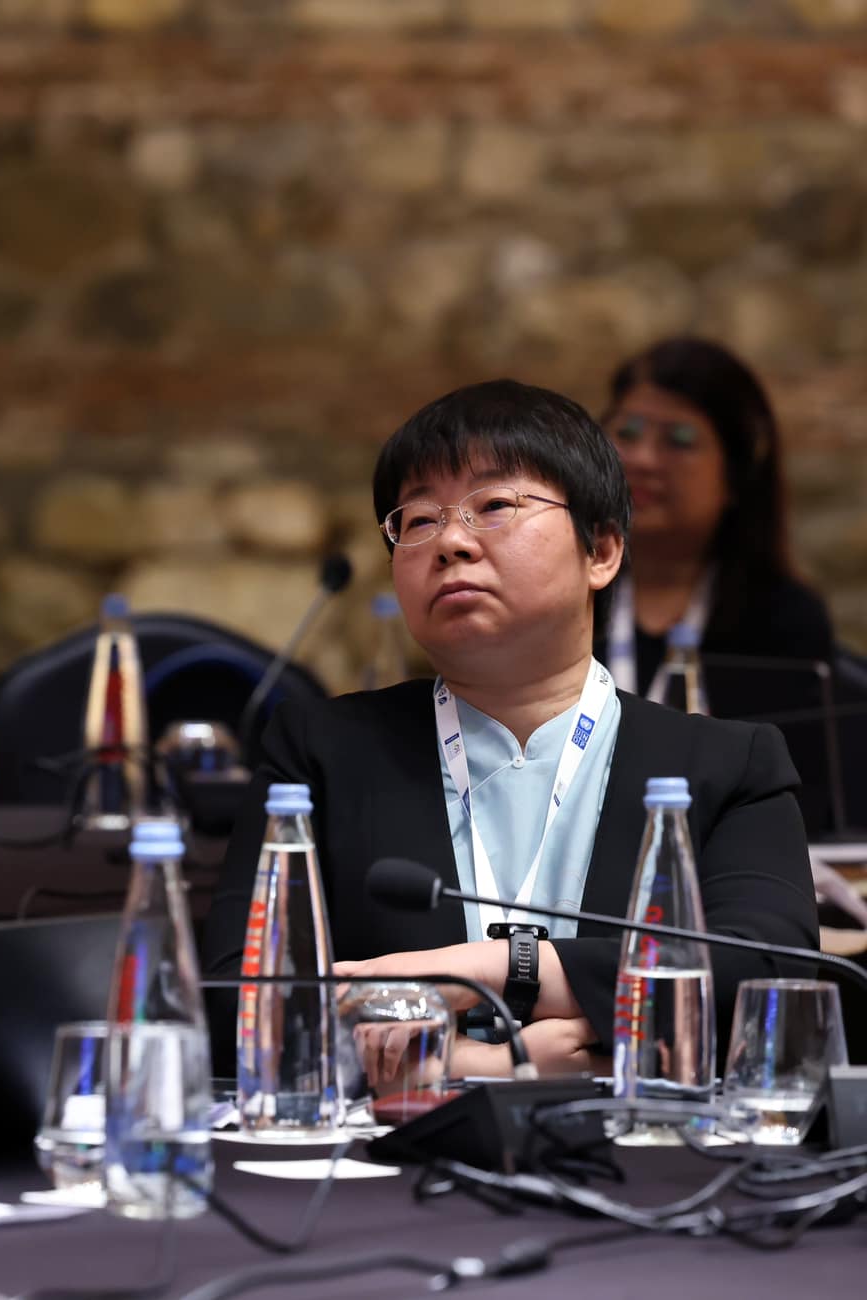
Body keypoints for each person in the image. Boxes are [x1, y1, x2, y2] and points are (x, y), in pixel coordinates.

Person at [204, 380, 818, 1080]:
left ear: (601, 551)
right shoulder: (320, 750)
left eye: (495, 506)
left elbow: (771, 972)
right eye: (418, 519)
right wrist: (481, 1064)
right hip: (396, 1141)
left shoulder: (726, 764)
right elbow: (237, 997)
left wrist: (492, 968)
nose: (451, 541)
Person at [597, 336, 834, 704]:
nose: (643, 459)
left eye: (679, 440)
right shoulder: (561, 593)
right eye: (627, 432)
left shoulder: (781, 621)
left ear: (736, 476)